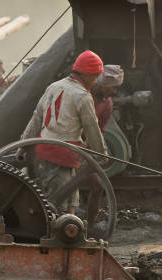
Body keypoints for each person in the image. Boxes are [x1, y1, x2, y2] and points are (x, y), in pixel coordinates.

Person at [18, 50, 108, 215]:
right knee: (60, 207)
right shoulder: (82, 96)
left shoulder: (54, 87)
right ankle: (61, 236)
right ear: (86, 74)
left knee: (68, 199)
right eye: (95, 76)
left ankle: (69, 233)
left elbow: (36, 119)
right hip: (63, 154)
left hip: (45, 150)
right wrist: (101, 154)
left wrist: (23, 145)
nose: (95, 81)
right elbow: (91, 127)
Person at [92, 65, 125, 132]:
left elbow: (100, 130)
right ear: (104, 83)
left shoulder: (107, 104)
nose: (114, 92)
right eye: (114, 87)